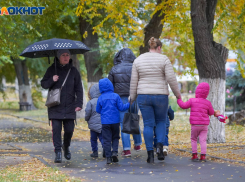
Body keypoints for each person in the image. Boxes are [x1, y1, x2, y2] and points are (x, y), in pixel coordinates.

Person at [130, 37, 181, 163]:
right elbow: (171, 79)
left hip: (143, 96)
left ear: (149, 47)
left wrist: (132, 98)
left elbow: (133, 82)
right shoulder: (164, 59)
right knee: (161, 122)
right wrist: (178, 95)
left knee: (148, 124)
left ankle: (150, 154)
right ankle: (159, 146)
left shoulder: (138, 60)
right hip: (160, 96)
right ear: (159, 48)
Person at [41, 49, 83, 163]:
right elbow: (43, 84)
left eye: (67, 55)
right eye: (63, 55)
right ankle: (58, 152)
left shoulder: (74, 71)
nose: (65, 57)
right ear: (58, 57)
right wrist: (52, 80)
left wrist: (79, 103)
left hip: (70, 106)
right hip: (55, 106)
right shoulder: (51, 69)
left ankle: (66, 146)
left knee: (69, 130)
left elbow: (79, 88)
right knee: (56, 130)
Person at [108, 48, 142, 157]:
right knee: (134, 119)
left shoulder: (114, 69)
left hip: (120, 98)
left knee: (123, 123)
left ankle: (127, 149)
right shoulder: (136, 67)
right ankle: (138, 144)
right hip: (134, 97)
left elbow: (110, 86)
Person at [177, 82, 215, 162]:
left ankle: (194, 155)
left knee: (193, 139)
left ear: (197, 91)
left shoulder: (192, 101)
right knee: (203, 140)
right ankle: (203, 156)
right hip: (204, 125)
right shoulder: (208, 103)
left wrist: (179, 99)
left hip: (195, 125)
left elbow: (183, 106)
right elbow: (211, 113)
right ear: (207, 93)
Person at [96, 78, 130, 164]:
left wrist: (103, 113)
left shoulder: (100, 98)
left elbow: (98, 110)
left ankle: (108, 157)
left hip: (105, 122)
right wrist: (129, 104)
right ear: (111, 86)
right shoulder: (116, 96)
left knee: (106, 140)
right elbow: (121, 108)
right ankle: (114, 152)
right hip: (115, 122)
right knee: (115, 137)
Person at [85, 83, 105, 158]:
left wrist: (86, 119)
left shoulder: (90, 102)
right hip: (102, 123)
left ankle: (95, 152)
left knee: (93, 139)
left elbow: (88, 112)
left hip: (93, 125)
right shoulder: (103, 100)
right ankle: (105, 148)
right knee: (102, 138)